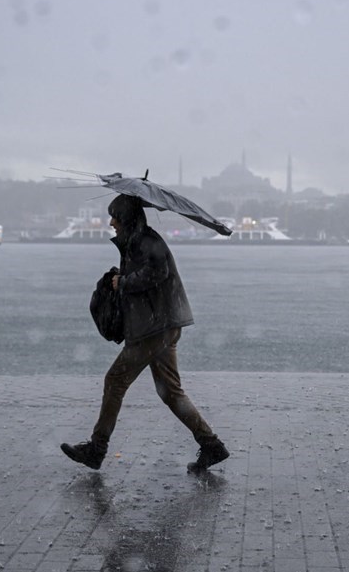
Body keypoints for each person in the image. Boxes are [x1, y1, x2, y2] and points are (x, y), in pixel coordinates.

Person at [61, 194, 229, 473]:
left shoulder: (144, 241)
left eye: (115, 216)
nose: (111, 222)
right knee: (171, 393)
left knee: (115, 381)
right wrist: (122, 275)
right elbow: (151, 272)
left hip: (154, 328)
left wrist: (122, 281)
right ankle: (212, 445)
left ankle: (96, 448)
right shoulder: (140, 240)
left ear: (126, 218)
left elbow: (156, 273)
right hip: (163, 325)